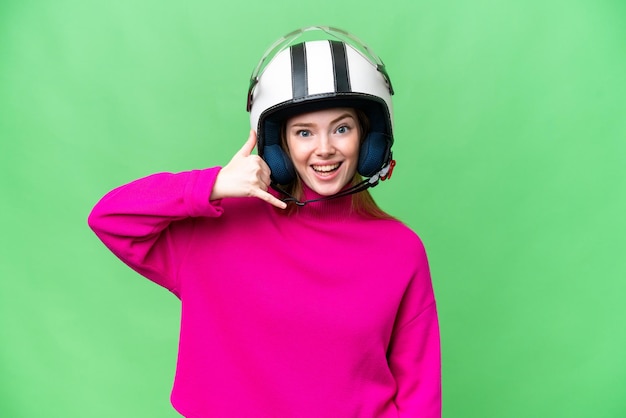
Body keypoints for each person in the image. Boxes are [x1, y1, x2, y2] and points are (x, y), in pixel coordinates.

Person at [88, 26, 441, 418]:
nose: (325, 148)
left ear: (369, 139)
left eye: (342, 128)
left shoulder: (401, 249)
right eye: (304, 132)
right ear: (281, 147)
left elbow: (419, 392)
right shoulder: (216, 229)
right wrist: (212, 184)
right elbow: (110, 217)